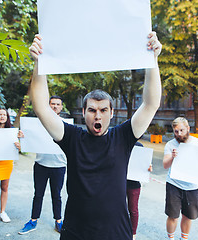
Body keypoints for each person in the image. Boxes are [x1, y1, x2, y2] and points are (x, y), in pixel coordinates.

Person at [29, 32, 162, 240]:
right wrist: (40, 64)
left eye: (103, 110)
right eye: (92, 110)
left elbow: (151, 104)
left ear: (111, 113)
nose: (97, 115)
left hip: (116, 233)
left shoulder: (123, 137)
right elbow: (41, 107)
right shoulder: (72, 138)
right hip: (75, 232)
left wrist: (152, 60)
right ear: (83, 113)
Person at [19, 96, 67, 235]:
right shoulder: (38, 123)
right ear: (49, 105)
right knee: (38, 194)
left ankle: (58, 221)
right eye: (52, 104)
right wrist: (23, 136)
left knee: (56, 195)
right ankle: (33, 221)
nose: (55, 106)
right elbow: (29, 139)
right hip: (41, 164)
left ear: (61, 107)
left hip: (59, 166)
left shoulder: (66, 124)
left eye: (58, 104)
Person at [127, 141, 152, 240]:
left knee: (133, 210)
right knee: (118, 208)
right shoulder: (119, 142)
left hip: (134, 183)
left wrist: (148, 168)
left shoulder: (139, 146)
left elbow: (144, 163)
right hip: (119, 181)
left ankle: (133, 234)